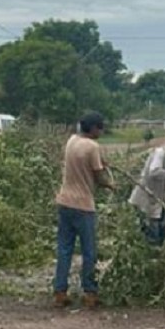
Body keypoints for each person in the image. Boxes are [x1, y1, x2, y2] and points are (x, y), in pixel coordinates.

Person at [53, 111, 113, 308]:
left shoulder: (72, 140)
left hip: (64, 202)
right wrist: (112, 185)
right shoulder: (93, 146)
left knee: (64, 249)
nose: (101, 131)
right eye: (100, 128)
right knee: (89, 251)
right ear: (94, 128)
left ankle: (60, 291)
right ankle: (90, 293)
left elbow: (85, 164)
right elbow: (100, 178)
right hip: (83, 205)